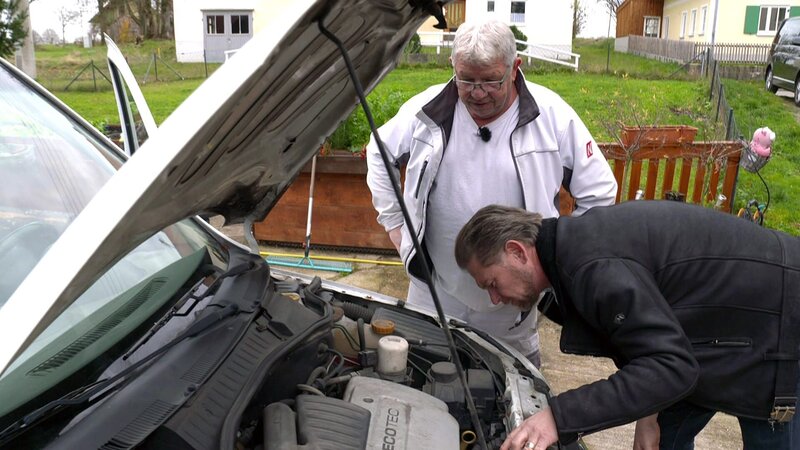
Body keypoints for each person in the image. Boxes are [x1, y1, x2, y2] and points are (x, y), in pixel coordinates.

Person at [365, 18, 617, 367]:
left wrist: (558, 260)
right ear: (452, 66)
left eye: (490, 80)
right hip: (435, 289)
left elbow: (600, 192)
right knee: (423, 374)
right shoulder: (428, 110)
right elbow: (379, 151)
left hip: (510, 302)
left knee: (506, 383)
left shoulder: (553, 117)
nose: (477, 92)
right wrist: (396, 225)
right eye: (466, 79)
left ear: (515, 68)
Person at [454, 201, 800, 450]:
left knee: (770, 436)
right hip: (712, 337)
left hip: (780, 328)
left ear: (517, 251)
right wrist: (647, 415)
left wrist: (557, 417)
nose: (495, 299)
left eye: (492, 283)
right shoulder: (575, 251)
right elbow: (650, 345)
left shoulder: (593, 267)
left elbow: (670, 366)